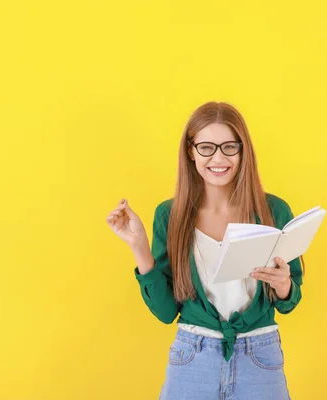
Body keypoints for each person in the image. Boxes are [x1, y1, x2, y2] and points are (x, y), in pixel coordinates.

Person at [106, 101, 305, 400]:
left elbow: (290, 302)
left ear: (243, 151)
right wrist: (139, 246)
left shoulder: (274, 210)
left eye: (229, 147)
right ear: (191, 151)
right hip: (193, 356)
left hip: (260, 356)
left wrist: (284, 285)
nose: (218, 158)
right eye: (206, 147)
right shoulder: (169, 215)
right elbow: (164, 312)